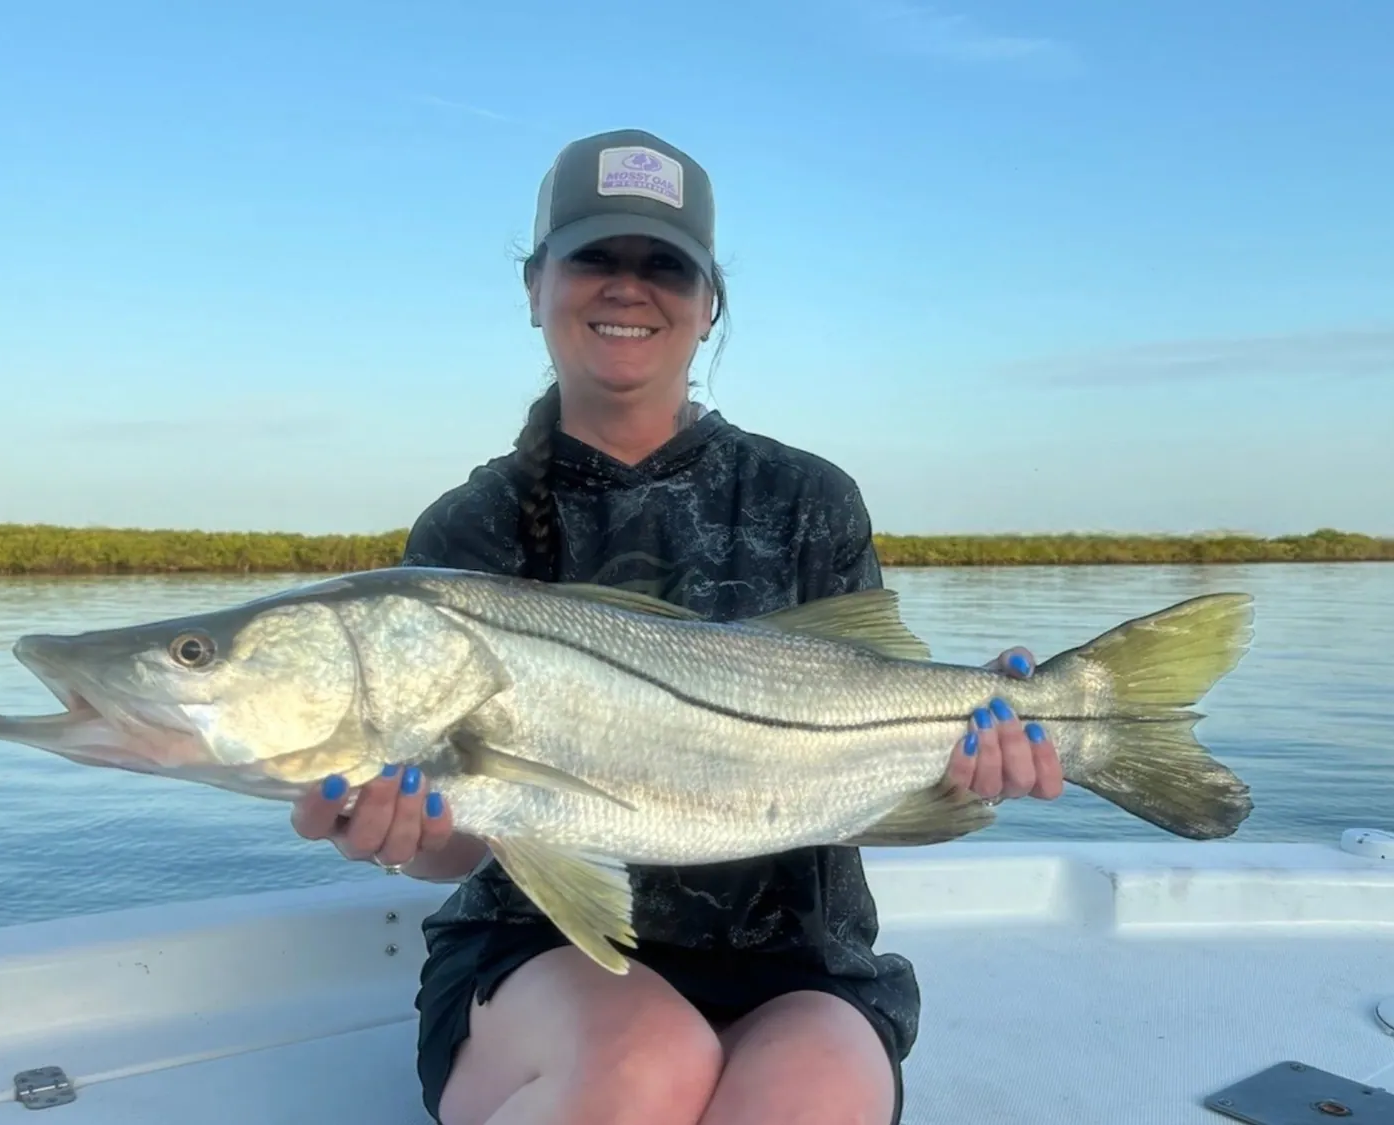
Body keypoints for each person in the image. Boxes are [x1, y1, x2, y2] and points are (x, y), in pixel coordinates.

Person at [289, 128, 1065, 1125]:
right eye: (593, 258)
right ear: (535, 287)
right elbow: (458, 850)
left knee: (806, 1101)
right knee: (645, 1066)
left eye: (662, 264)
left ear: (708, 305)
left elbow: (855, 800)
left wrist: (963, 774)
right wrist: (397, 834)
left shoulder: (808, 497)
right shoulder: (464, 529)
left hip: (798, 957)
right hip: (538, 958)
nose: (626, 287)